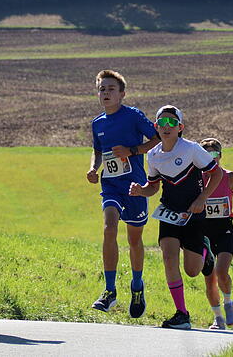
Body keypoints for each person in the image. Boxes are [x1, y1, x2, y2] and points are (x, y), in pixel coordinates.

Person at [129, 106, 220, 329]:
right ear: (156, 127)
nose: (166, 127)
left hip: (193, 213)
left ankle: (205, 251)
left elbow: (215, 173)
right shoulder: (153, 155)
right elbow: (153, 186)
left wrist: (202, 199)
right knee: (169, 257)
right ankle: (181, 314)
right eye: (162, 123)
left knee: (192, 270)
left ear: (180, 127)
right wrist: (141, 190)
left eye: (172, 123)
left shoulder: (191, 149)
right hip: (169, 212)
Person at [87, 70, 160, 316]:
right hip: (111, 185)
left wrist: (132, 150)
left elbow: (157, 139)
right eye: (102, 89)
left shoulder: (133, 116)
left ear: (122, 94)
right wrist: (93, 168)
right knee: (109, 227)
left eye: (110, 89)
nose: (105, 93)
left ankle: (137, 285)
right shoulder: (97, 123)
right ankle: (109, 291)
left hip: (135, 186)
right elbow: (98, 151)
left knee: (134, 240)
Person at [198, 138, 233, 329]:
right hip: (203, 231)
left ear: (220, 156)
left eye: (214, 154)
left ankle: (228, 302)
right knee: (209, 278)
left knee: (221, 270)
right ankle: (218, 318)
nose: (211, 158)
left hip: (224, 228)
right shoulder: (196, 178)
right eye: (206, 155)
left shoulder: (230, 177)